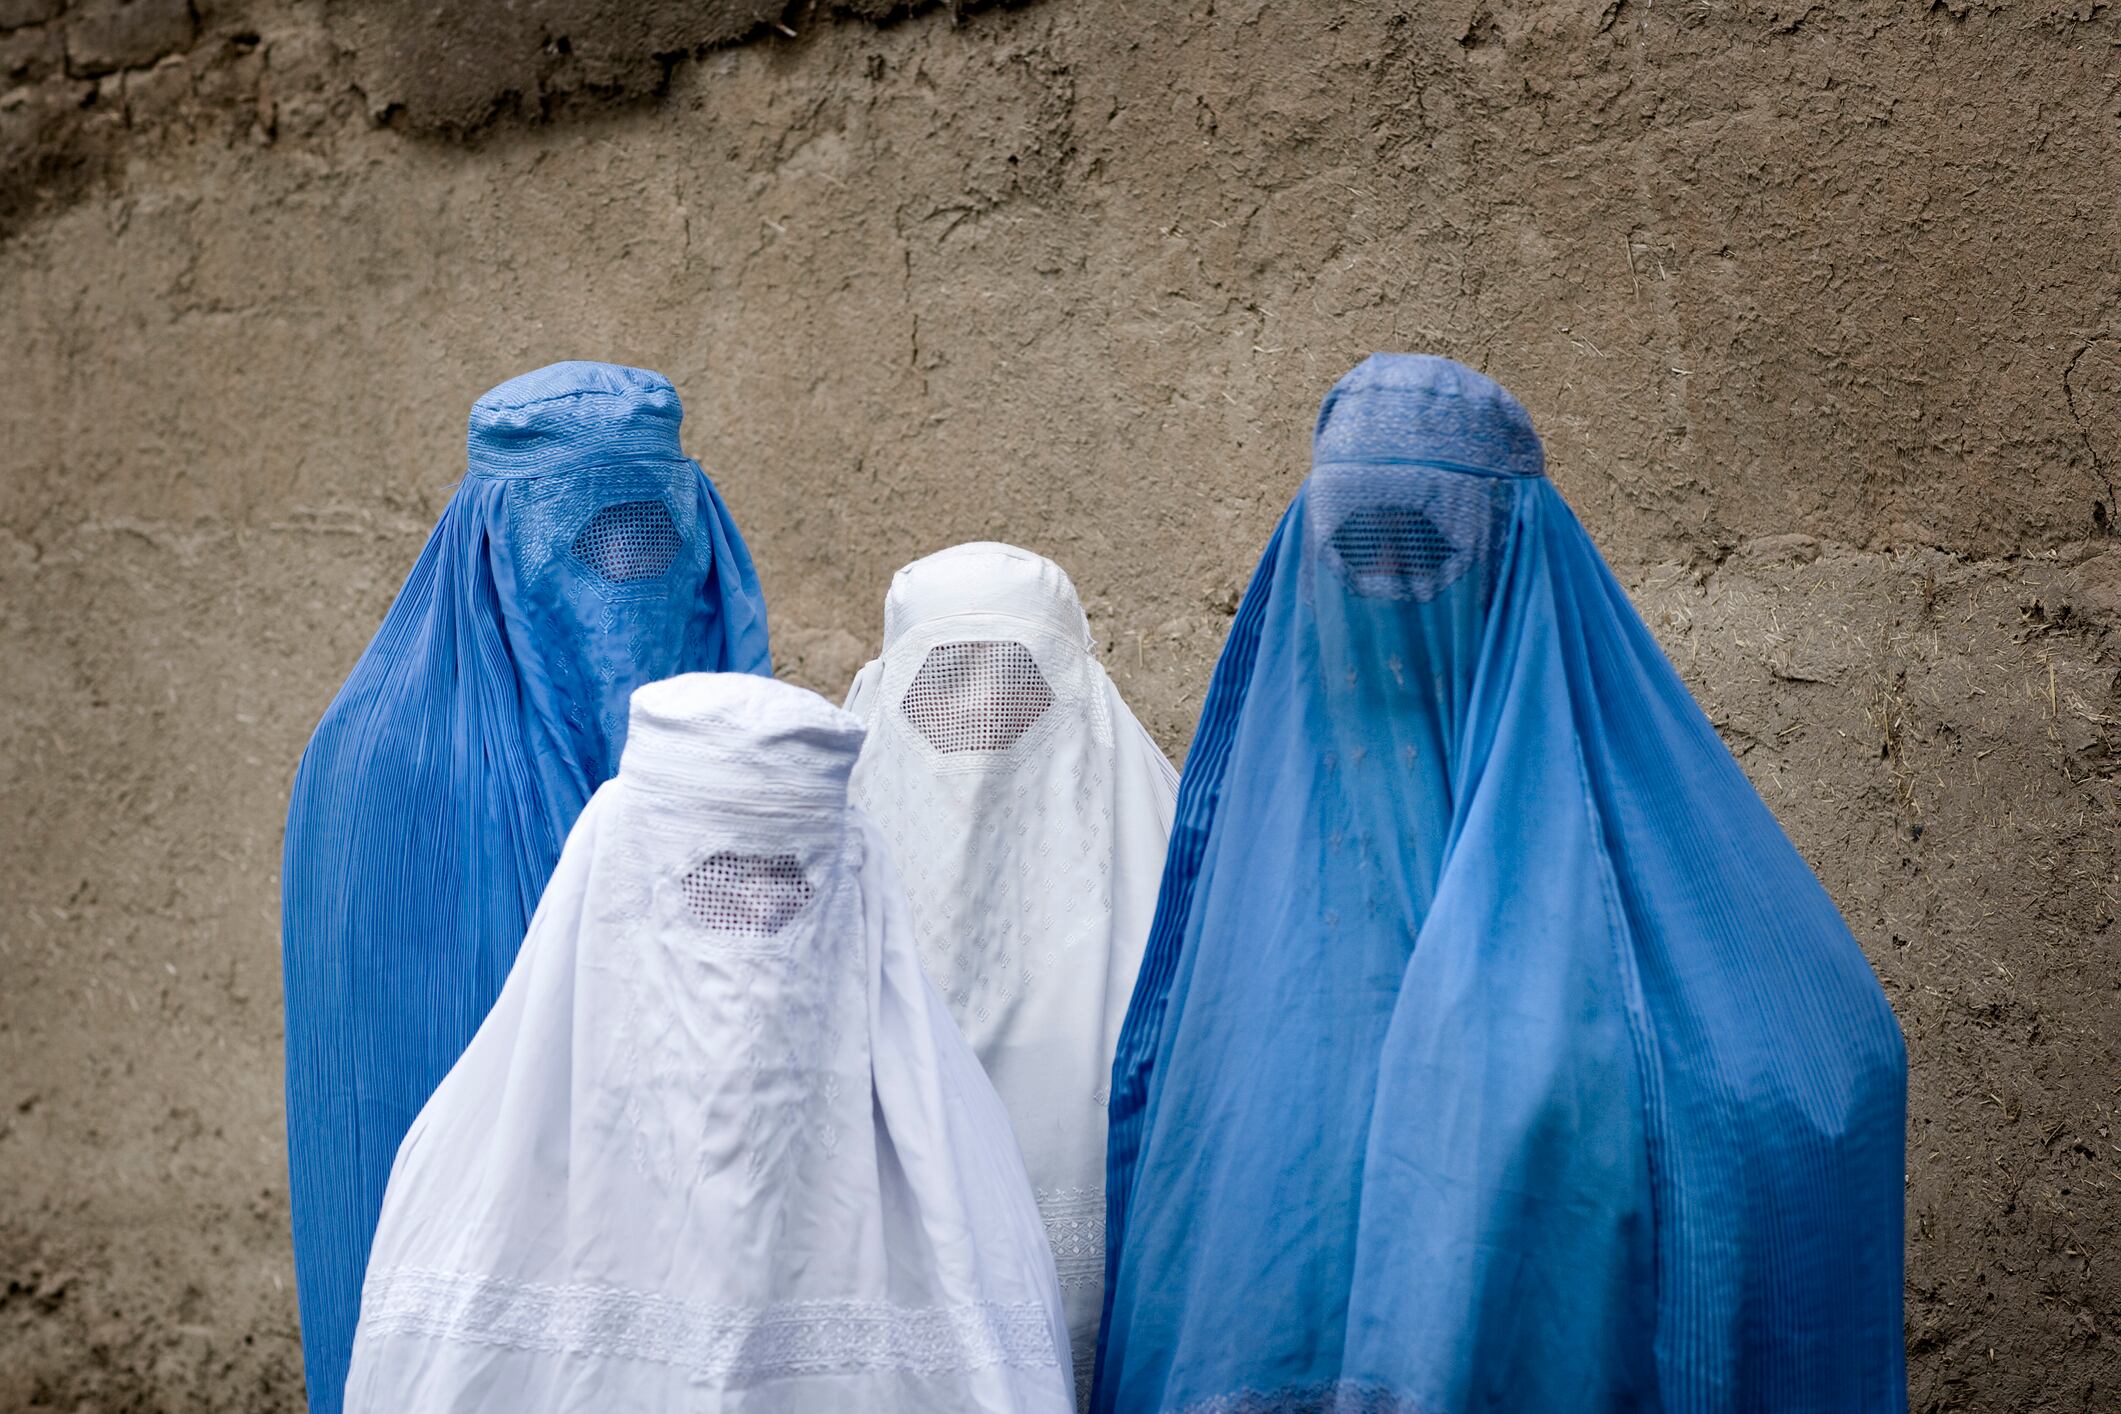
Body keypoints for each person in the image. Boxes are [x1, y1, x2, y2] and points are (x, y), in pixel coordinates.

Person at [1096, 355, 1908, 1413]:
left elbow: (1821, 1074)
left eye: (1425, 549)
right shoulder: (1268, 858)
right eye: (1354, 551)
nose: (1387, 590)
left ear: (1516, 551)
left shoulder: (1617, 827)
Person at [343, 673, 1076, 1414]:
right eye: (714, 885)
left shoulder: (945, 1182)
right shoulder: (479, 1178)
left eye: (787, 888)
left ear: (854, 888)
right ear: (614, 879)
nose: (752, 926)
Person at [281, 362, 770, 1414]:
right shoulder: (379, 770)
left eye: (654, 541)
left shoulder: (752, 764)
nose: (627, 580)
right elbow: (370, 1133)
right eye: (591, 545)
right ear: (495, 542)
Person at [843, 543, 1177, 1405]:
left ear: (1080, 691)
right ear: (887, 692)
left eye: (1015, 685)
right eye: (941, 688)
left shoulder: (1170, 866)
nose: (979, 715)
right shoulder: (815, 874)